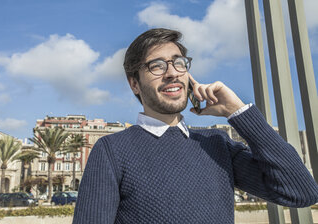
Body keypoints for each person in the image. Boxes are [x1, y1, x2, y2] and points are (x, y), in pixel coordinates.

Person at [73, 28, 318, 223]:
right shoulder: (111, 150)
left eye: (178, 62)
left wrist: (238, 112)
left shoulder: (217, 144)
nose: (171, 72)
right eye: (156, 66)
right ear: (134, 84)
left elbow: (301, 192)